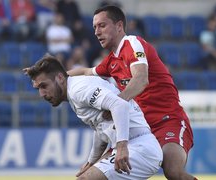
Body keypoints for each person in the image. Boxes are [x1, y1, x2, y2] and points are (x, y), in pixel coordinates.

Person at [67, 5, 195, 180]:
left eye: (102, 25)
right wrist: (57, 76)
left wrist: (117, 103)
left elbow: (141, 79)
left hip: (167, 120)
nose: (97, 32)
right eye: (95, 27)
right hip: (139, 130)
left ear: (119, 26)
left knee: (173, 171)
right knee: (92, 177)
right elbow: (87, 72)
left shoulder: (133, 43)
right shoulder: (111, 62)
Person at [24, 55, 163, 179]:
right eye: (38, 89)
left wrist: (121, 147)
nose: (42, 94)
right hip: (135, 146)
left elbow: (120, 105)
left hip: (139, 147)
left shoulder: (78, 89)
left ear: (60, 78)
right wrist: (91, 161)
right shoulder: (74, 93)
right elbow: (100, 128)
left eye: (44, 86)